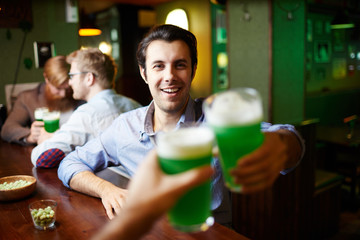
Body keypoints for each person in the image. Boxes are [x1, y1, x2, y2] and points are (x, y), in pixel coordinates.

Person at [58, 24, 304, 226]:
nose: (169, 76)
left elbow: (289, 139)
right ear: (144, 74)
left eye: (180, 64)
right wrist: (105, 190)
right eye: (158, 66)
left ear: (193, 70)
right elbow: (70, 164)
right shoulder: (125, 127)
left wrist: (280, 144)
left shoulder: (217, 118)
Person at [31, 48, 141, 168]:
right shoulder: (134, 105)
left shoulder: (87, 114)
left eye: (72, 76)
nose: (70, 82)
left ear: (89, 78)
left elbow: (42, 158)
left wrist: (43, 142)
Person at [92, 150, 214, 240]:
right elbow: (73, 161)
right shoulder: (124, 125)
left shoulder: (208, 127)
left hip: (207, 231)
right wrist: (105, 189)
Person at [1, 56, 82, 145]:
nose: (63, 94)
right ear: (46, 78)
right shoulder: (27, 98)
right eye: (58, 89)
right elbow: (7, 129)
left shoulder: (79, 95)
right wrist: (30, 136)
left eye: (67, 89)